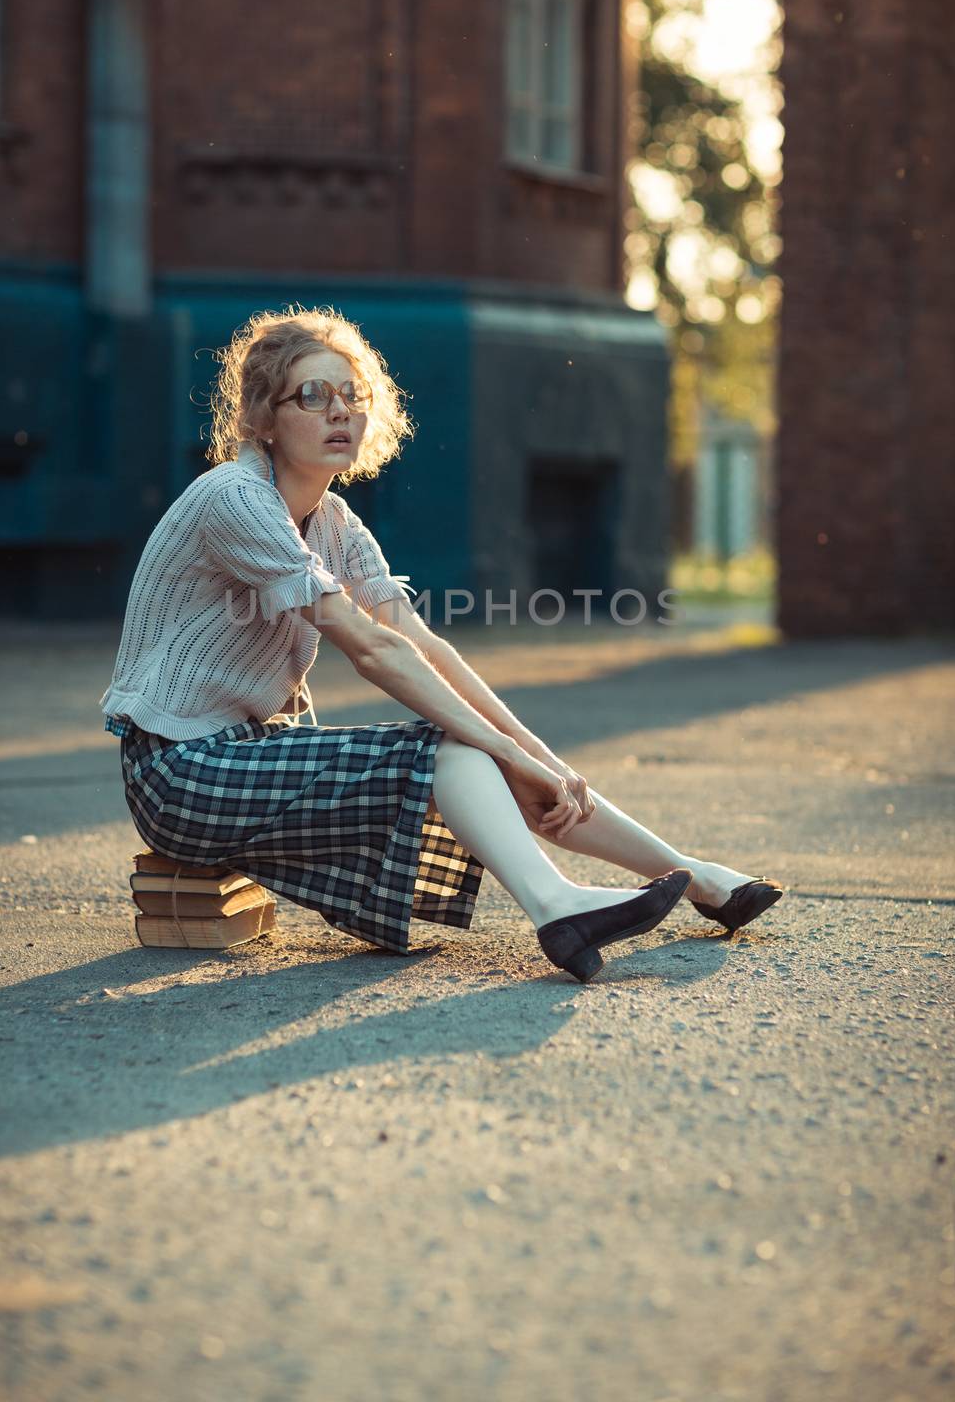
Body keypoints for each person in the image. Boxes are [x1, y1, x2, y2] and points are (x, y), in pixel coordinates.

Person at [101, 305, 782, 982]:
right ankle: (556, 906)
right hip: (178, 773)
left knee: (479, 745)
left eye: (352, 395)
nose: (339, 411)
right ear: (263, 418)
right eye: (312, 395)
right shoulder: (236, 499)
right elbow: (371, 651)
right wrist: (509, 754)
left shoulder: (331, 519)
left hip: (244, 759)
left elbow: (424, 648)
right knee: (453, 747)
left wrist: (543, 762)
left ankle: (694, 880)